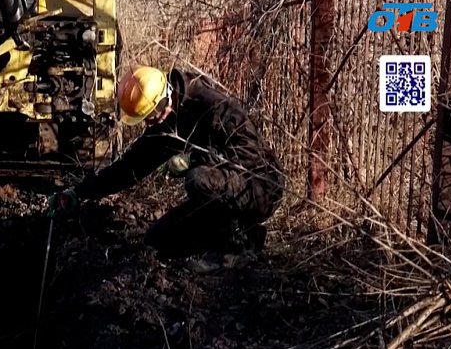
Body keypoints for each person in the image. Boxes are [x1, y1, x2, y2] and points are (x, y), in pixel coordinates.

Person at [48, 65, 285, 260]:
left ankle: (238, 244)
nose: (148, 125)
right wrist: (78, 193)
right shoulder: (166, 121)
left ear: (162, 103)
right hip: (222, 189)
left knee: (198, 179)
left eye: (149, 118)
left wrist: (194, 159)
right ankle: (229, 233)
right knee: (158, 241)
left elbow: (249, 157)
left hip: (260, 186)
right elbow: (130, 167)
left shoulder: (212, 105)